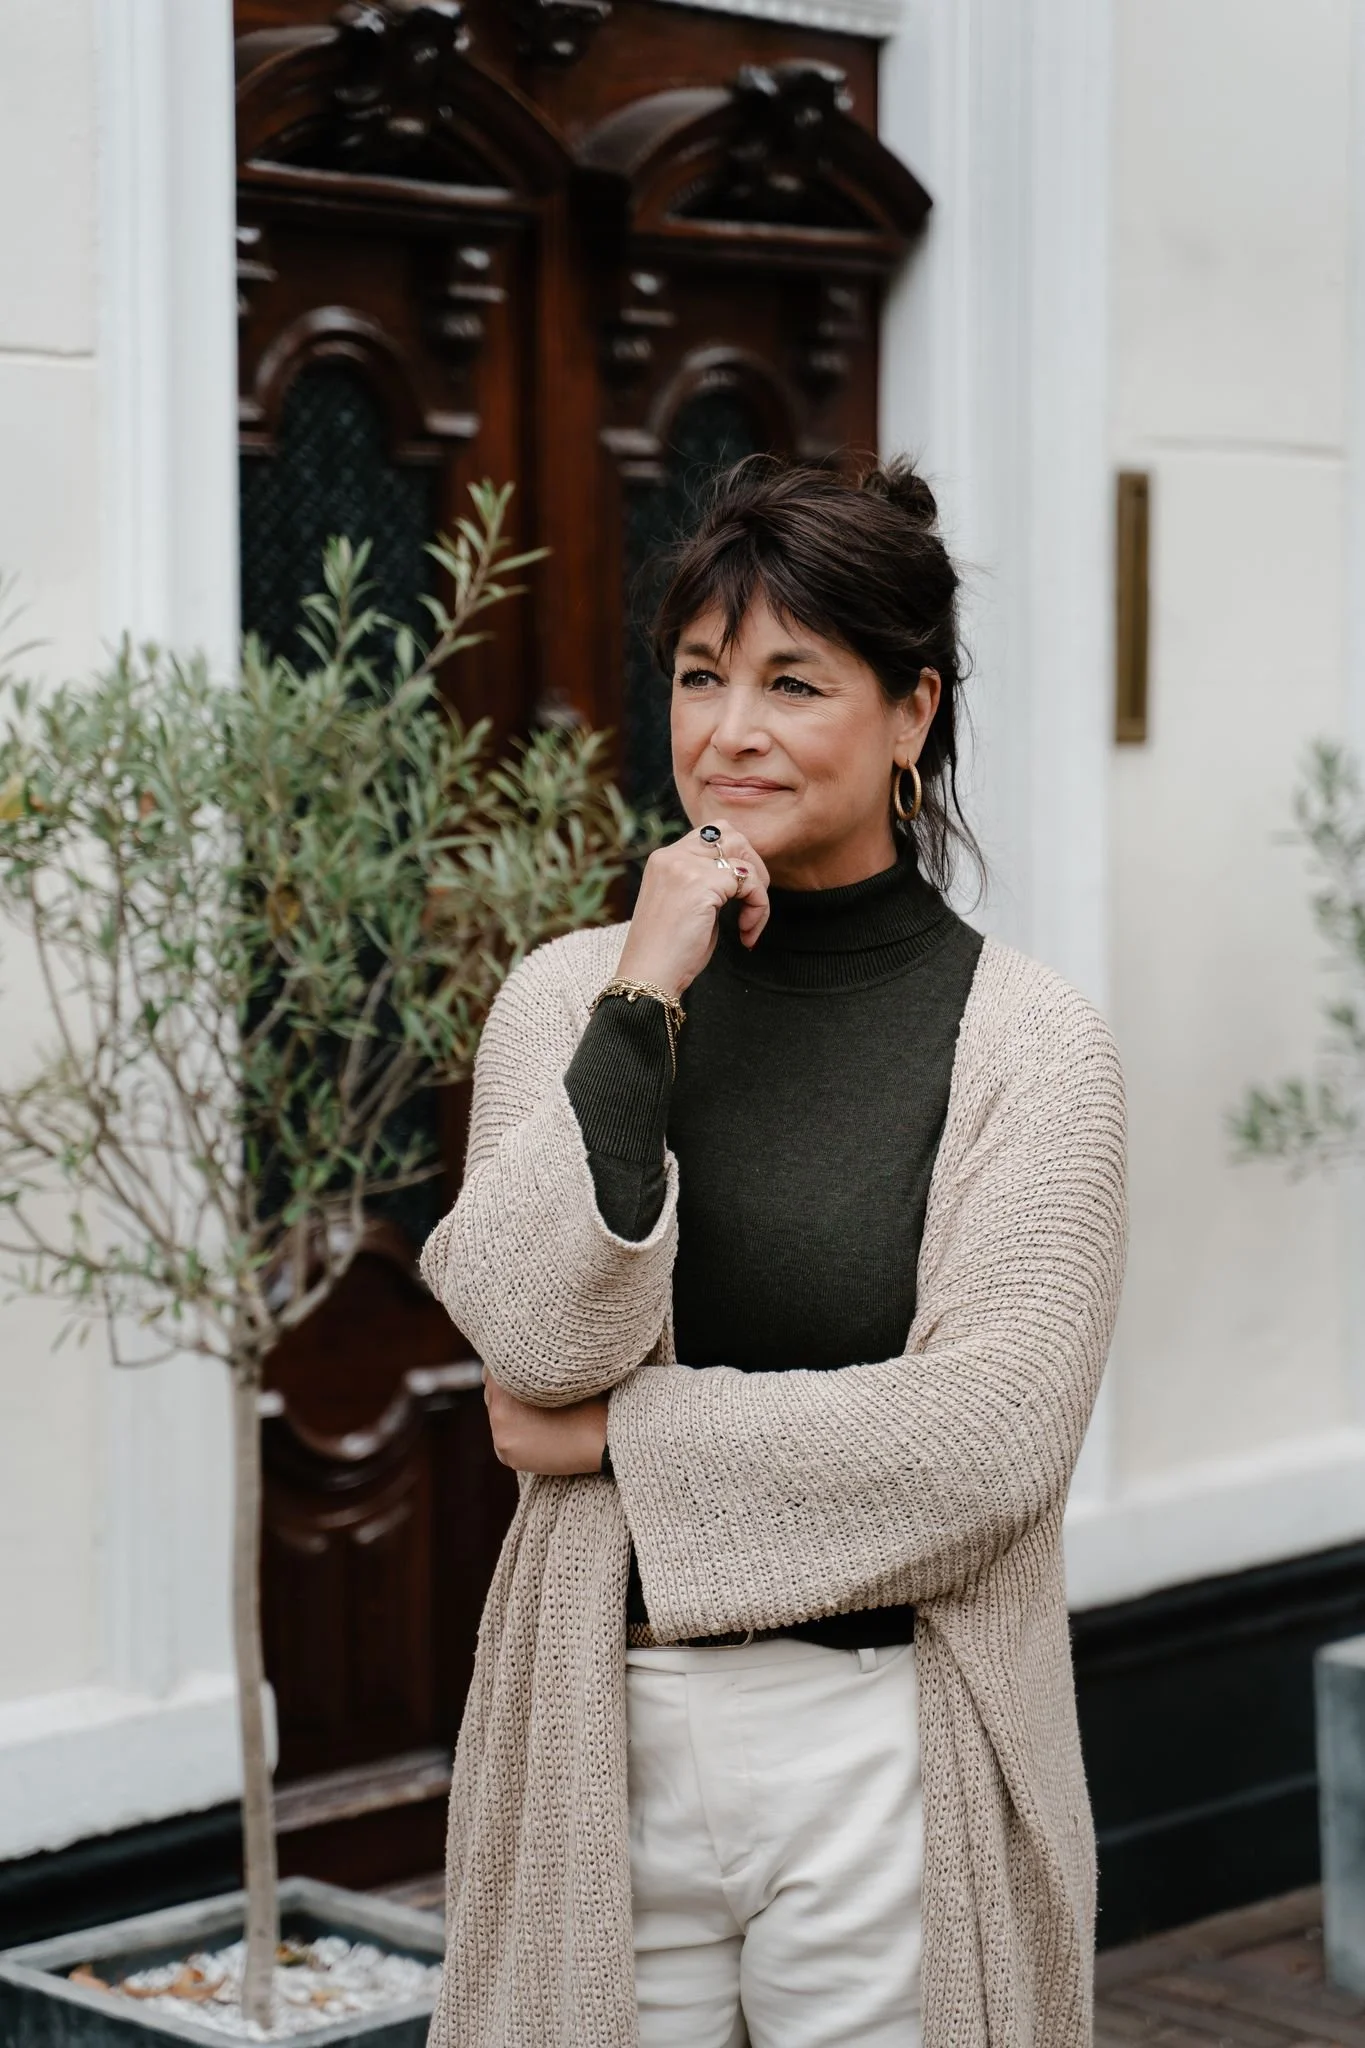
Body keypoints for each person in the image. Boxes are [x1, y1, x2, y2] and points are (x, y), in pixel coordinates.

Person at [419, 456, 1127, 2048]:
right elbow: (533, 1337)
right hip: (605, 1718)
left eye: (793, 681)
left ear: (911, 713)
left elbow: (989, 1439)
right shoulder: (568, 1000)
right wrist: (643, 993)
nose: (727, 731)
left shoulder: (1030, 1047)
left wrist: (610, 1441)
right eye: (697, 677)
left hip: (892, 1738)